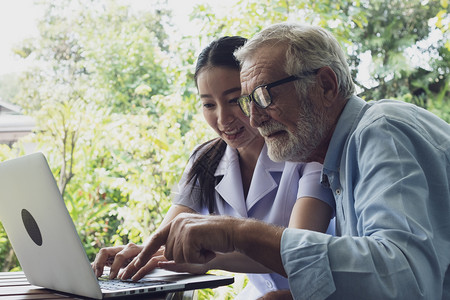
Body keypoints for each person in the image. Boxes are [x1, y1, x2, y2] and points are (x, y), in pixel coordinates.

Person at [119, 23, 450, 299]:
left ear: (325, 85)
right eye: (248, 101)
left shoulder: (382, 130)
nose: (254, 118)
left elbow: (407, 278)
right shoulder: (339, 160)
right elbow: (379, 279)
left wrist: (239, 234)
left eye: (263, 95)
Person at [92, 35, 335, 299]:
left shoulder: (304, 150)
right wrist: (138, 253)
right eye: (208, 104)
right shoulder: (206, 159)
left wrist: (209, 258)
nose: (222, 119)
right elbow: (169, 238)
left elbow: (300, 251)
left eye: (234, 100)